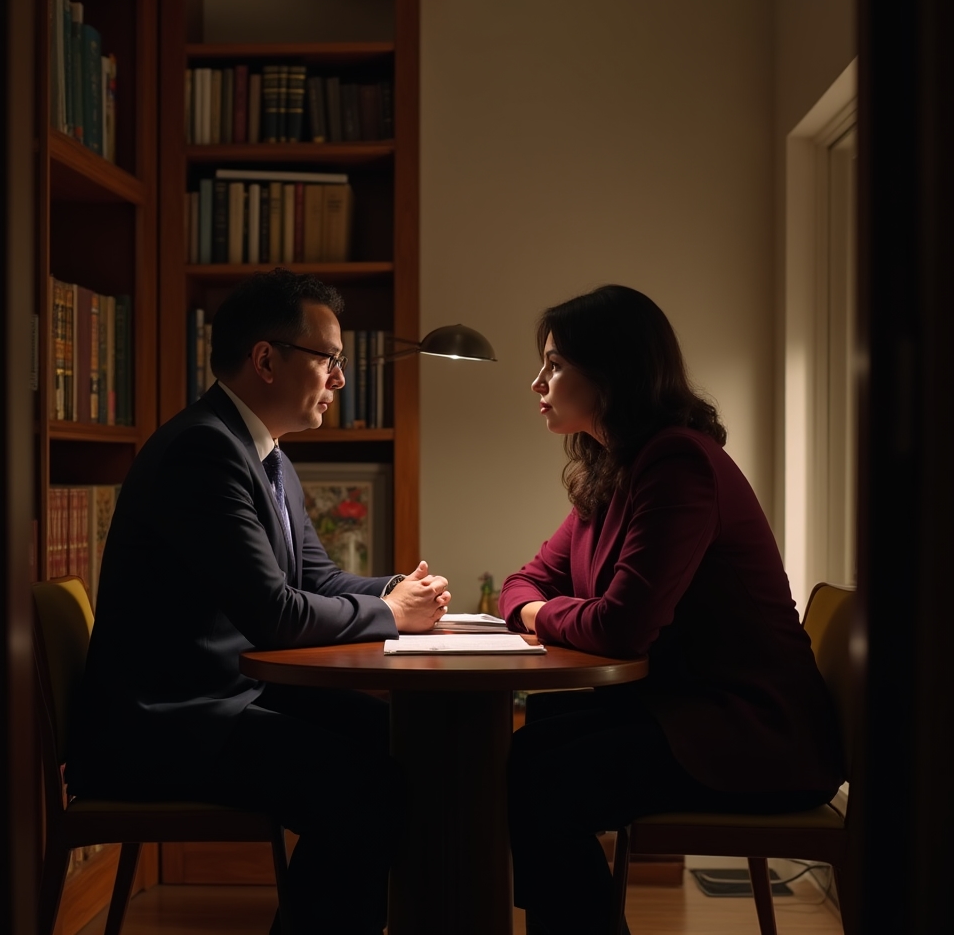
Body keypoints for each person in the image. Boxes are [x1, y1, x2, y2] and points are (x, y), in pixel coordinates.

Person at [66, 268, 451, 935]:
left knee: (400, 739)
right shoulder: (203, 452)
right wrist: (393, 616)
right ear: (267, 360)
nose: (340, 379)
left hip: (220, 697)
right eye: (329, 359)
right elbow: (275, 614)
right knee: (364, 787)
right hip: (163, 725)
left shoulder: (266, 455)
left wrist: (397, 591)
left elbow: (318, 581)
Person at [499, 284, 844, 935]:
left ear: (610, 373)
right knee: (535, 737)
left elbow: (622, 628)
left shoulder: (677, 464)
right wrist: (536, 605)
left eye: (555, 364)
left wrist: (540, 615)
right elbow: (524, 580)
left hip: (754, 736)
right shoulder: (613, 471)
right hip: (688, 709)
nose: (537, 382)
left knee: (541, 773)